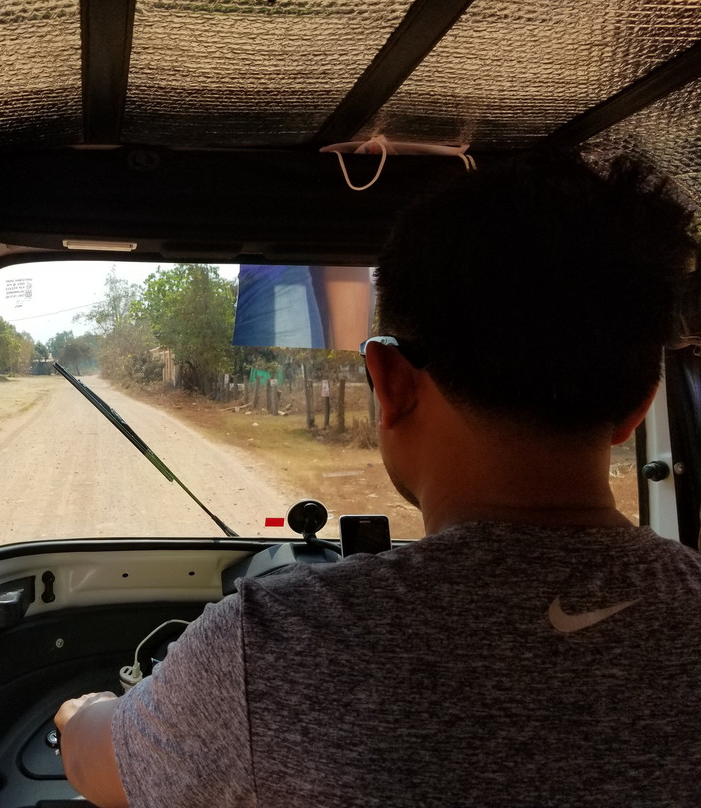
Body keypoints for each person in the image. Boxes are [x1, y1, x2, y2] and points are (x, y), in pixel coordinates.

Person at [54, 151, 701, 807]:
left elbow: (93, 764)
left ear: (389, 383)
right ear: (639, 405)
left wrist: (82, 711)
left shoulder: (278, 642)